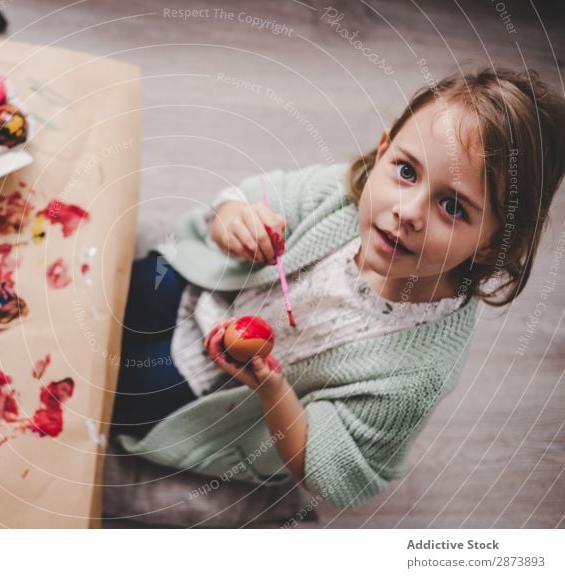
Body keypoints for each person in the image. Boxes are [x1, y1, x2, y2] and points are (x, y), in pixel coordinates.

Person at [110, 68, 565, 509]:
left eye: (452, 206)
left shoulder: (418, 373)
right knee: (114, 291)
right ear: (385, 149)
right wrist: (235, 223)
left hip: (218, 395)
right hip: (204, 292)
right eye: (407, 171)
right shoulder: (343, 195)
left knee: (119, 394)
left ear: (492, 244)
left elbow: (330, 471)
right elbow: (245, 199)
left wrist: (272, 390)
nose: (408, 211)